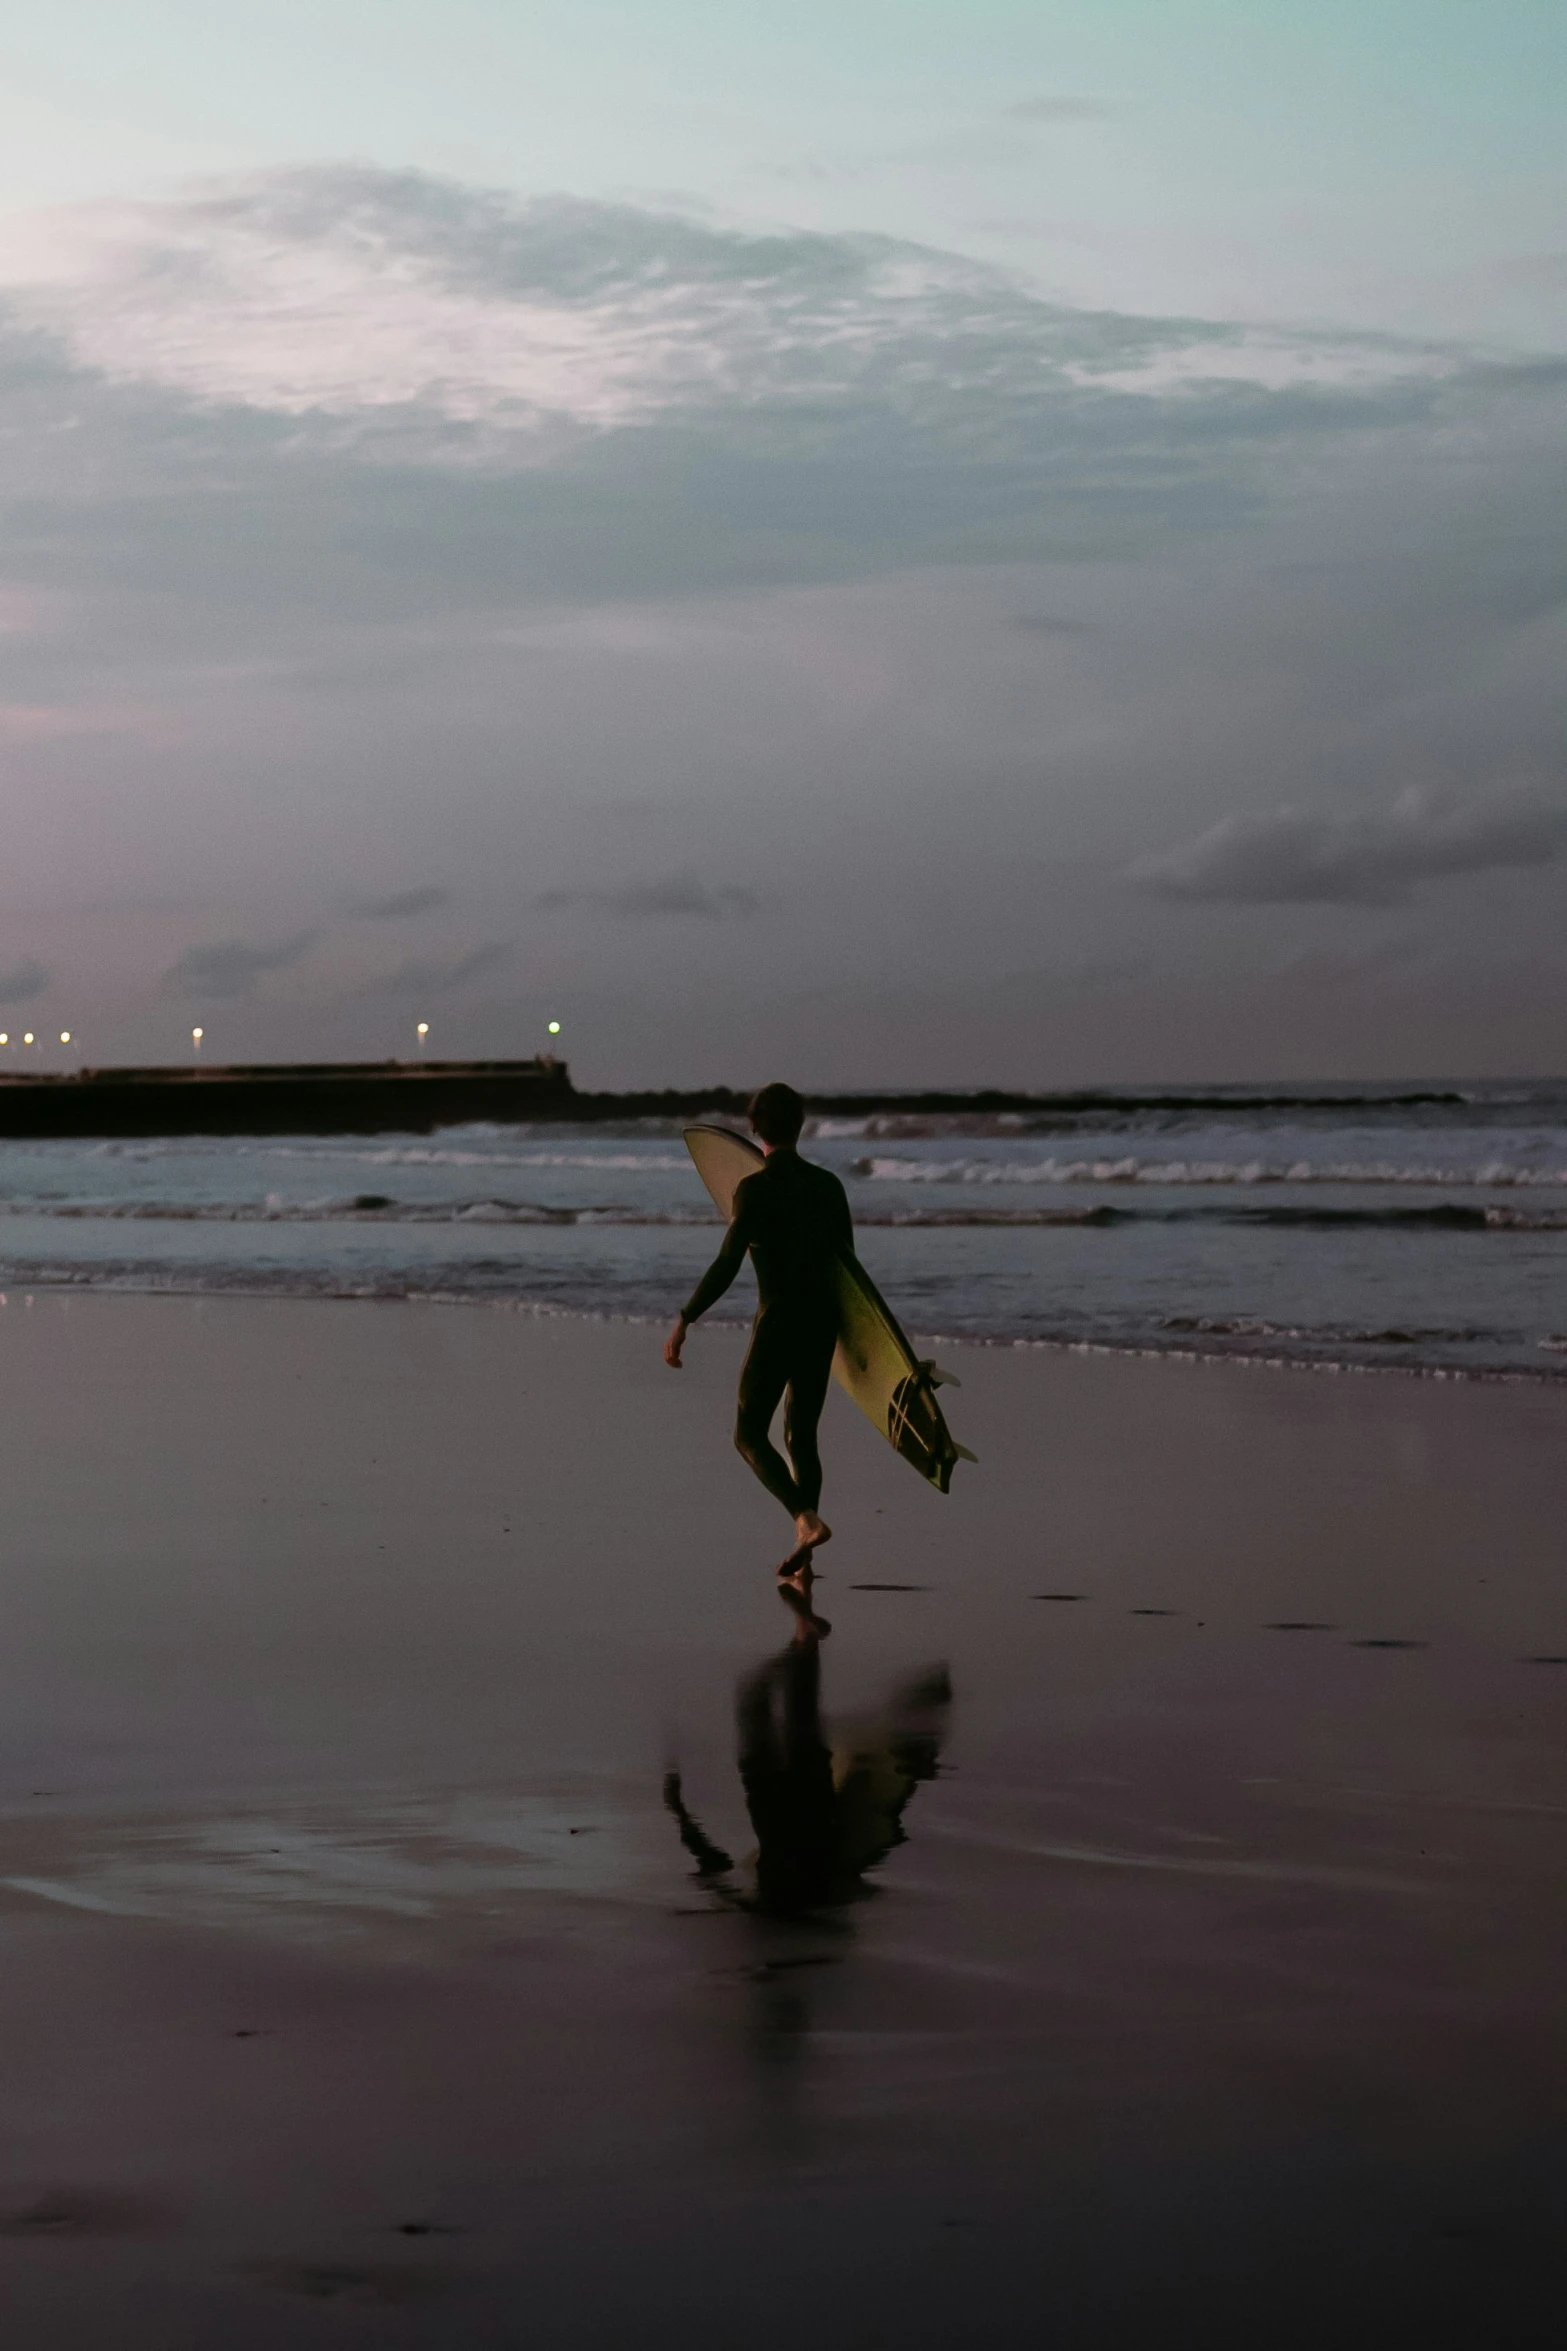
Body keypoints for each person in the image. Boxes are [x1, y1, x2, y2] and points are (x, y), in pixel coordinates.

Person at [664, 1082, 852, 1573]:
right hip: (822, 1322)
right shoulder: (829, 1187)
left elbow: (727, 1264)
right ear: (801, 1126)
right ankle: (806, 1551)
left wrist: (686, 1318)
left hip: (779, 1322)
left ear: (752, 1128)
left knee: (748, 1434)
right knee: (802, 1435)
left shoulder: (755, 1190)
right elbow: (850, 1273)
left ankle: (804, 1519)